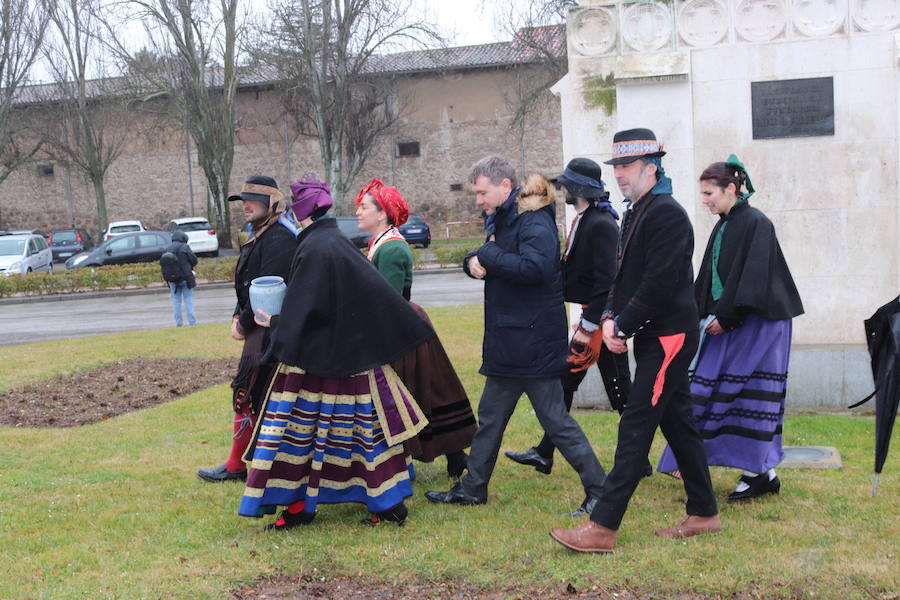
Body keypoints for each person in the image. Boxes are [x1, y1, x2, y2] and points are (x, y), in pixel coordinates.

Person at [549, 128, 721, 554]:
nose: (619, 175)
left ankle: (603, 526)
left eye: (626, 167)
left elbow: (659, 284)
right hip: (654, 334)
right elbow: (621, 277)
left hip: (669, 337)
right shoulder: (637, 210)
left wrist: (621, 325)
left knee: (636, 424)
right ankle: (704, 513)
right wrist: (609, 317)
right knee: (678, 422)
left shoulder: (667, 214)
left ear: (651, 168)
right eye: (617, 168)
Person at [238, 177, 435, 530]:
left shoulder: (318, 247)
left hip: (320, 360)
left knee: (297, 434)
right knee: (354, 435)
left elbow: (309, 308)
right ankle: (378, 504)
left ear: (302, 209)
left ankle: (310, 505)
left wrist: (276, 324)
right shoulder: (331, 240)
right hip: (344, 357)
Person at [424, 156, 607, 513]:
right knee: (491, 415)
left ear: (505, 187)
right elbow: (492, 257)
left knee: (556, 420)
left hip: (531, 343)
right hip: (511, 341)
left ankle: (600, 490)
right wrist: (472, 260)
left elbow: (535, 267)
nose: (477, 200)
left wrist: (487, 254)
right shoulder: (506, 217)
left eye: (482, 192)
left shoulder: (533, 219)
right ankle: (473, 488)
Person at [656, 156, 803, 500]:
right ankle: (726, 466)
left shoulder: (757, 223)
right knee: (713, 391)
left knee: (750, 396)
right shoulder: (725, 224)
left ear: (731, 189)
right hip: (732, 322)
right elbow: (709, 277)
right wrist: (697, 314)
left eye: (709, 193)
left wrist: (728, 318)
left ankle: (759, 473)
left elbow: (753, 278)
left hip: (760, 326)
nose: (704, 199)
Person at [504, 158, 631, 488]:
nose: (562, 189)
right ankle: (545, 452)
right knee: (568, 382)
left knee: (621, 393)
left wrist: (591, 325)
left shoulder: (601, 223)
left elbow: (607, 279)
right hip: (591, 317)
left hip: (599, 321)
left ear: (579, 189)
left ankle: (638, 460)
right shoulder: (587, 219)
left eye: (567, 185)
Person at [355, 179, 475, 478]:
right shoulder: (381, 243)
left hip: (402, 328)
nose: (358, 212)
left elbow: (390, 301)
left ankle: (417, 459)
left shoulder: (392, 248)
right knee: (425, 392)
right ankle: (453, 456)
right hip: (403, 325)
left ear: (381, 214)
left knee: (412, 393)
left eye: (364, 207)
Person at [197, 175, 298, 483]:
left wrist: (242, 324)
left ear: (272, 203)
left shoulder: (280, 237)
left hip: (270, 330)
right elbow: (247, 284)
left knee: (253, 393)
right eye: (243, 200)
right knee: (249, 393)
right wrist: (237, 314)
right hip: (258, 326)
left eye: (253, 200)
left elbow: (268, 291)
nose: (245, 206)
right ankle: (240, 463)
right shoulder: (258, 233)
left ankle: (243, 465)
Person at [162, 230, 198, 327]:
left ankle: (179, 323)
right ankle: (192, 323)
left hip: (172, 280)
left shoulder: (167, 249)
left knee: (176, 302)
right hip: (186, 278)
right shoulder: (185, 248)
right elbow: (194, 260)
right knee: (188, 300)